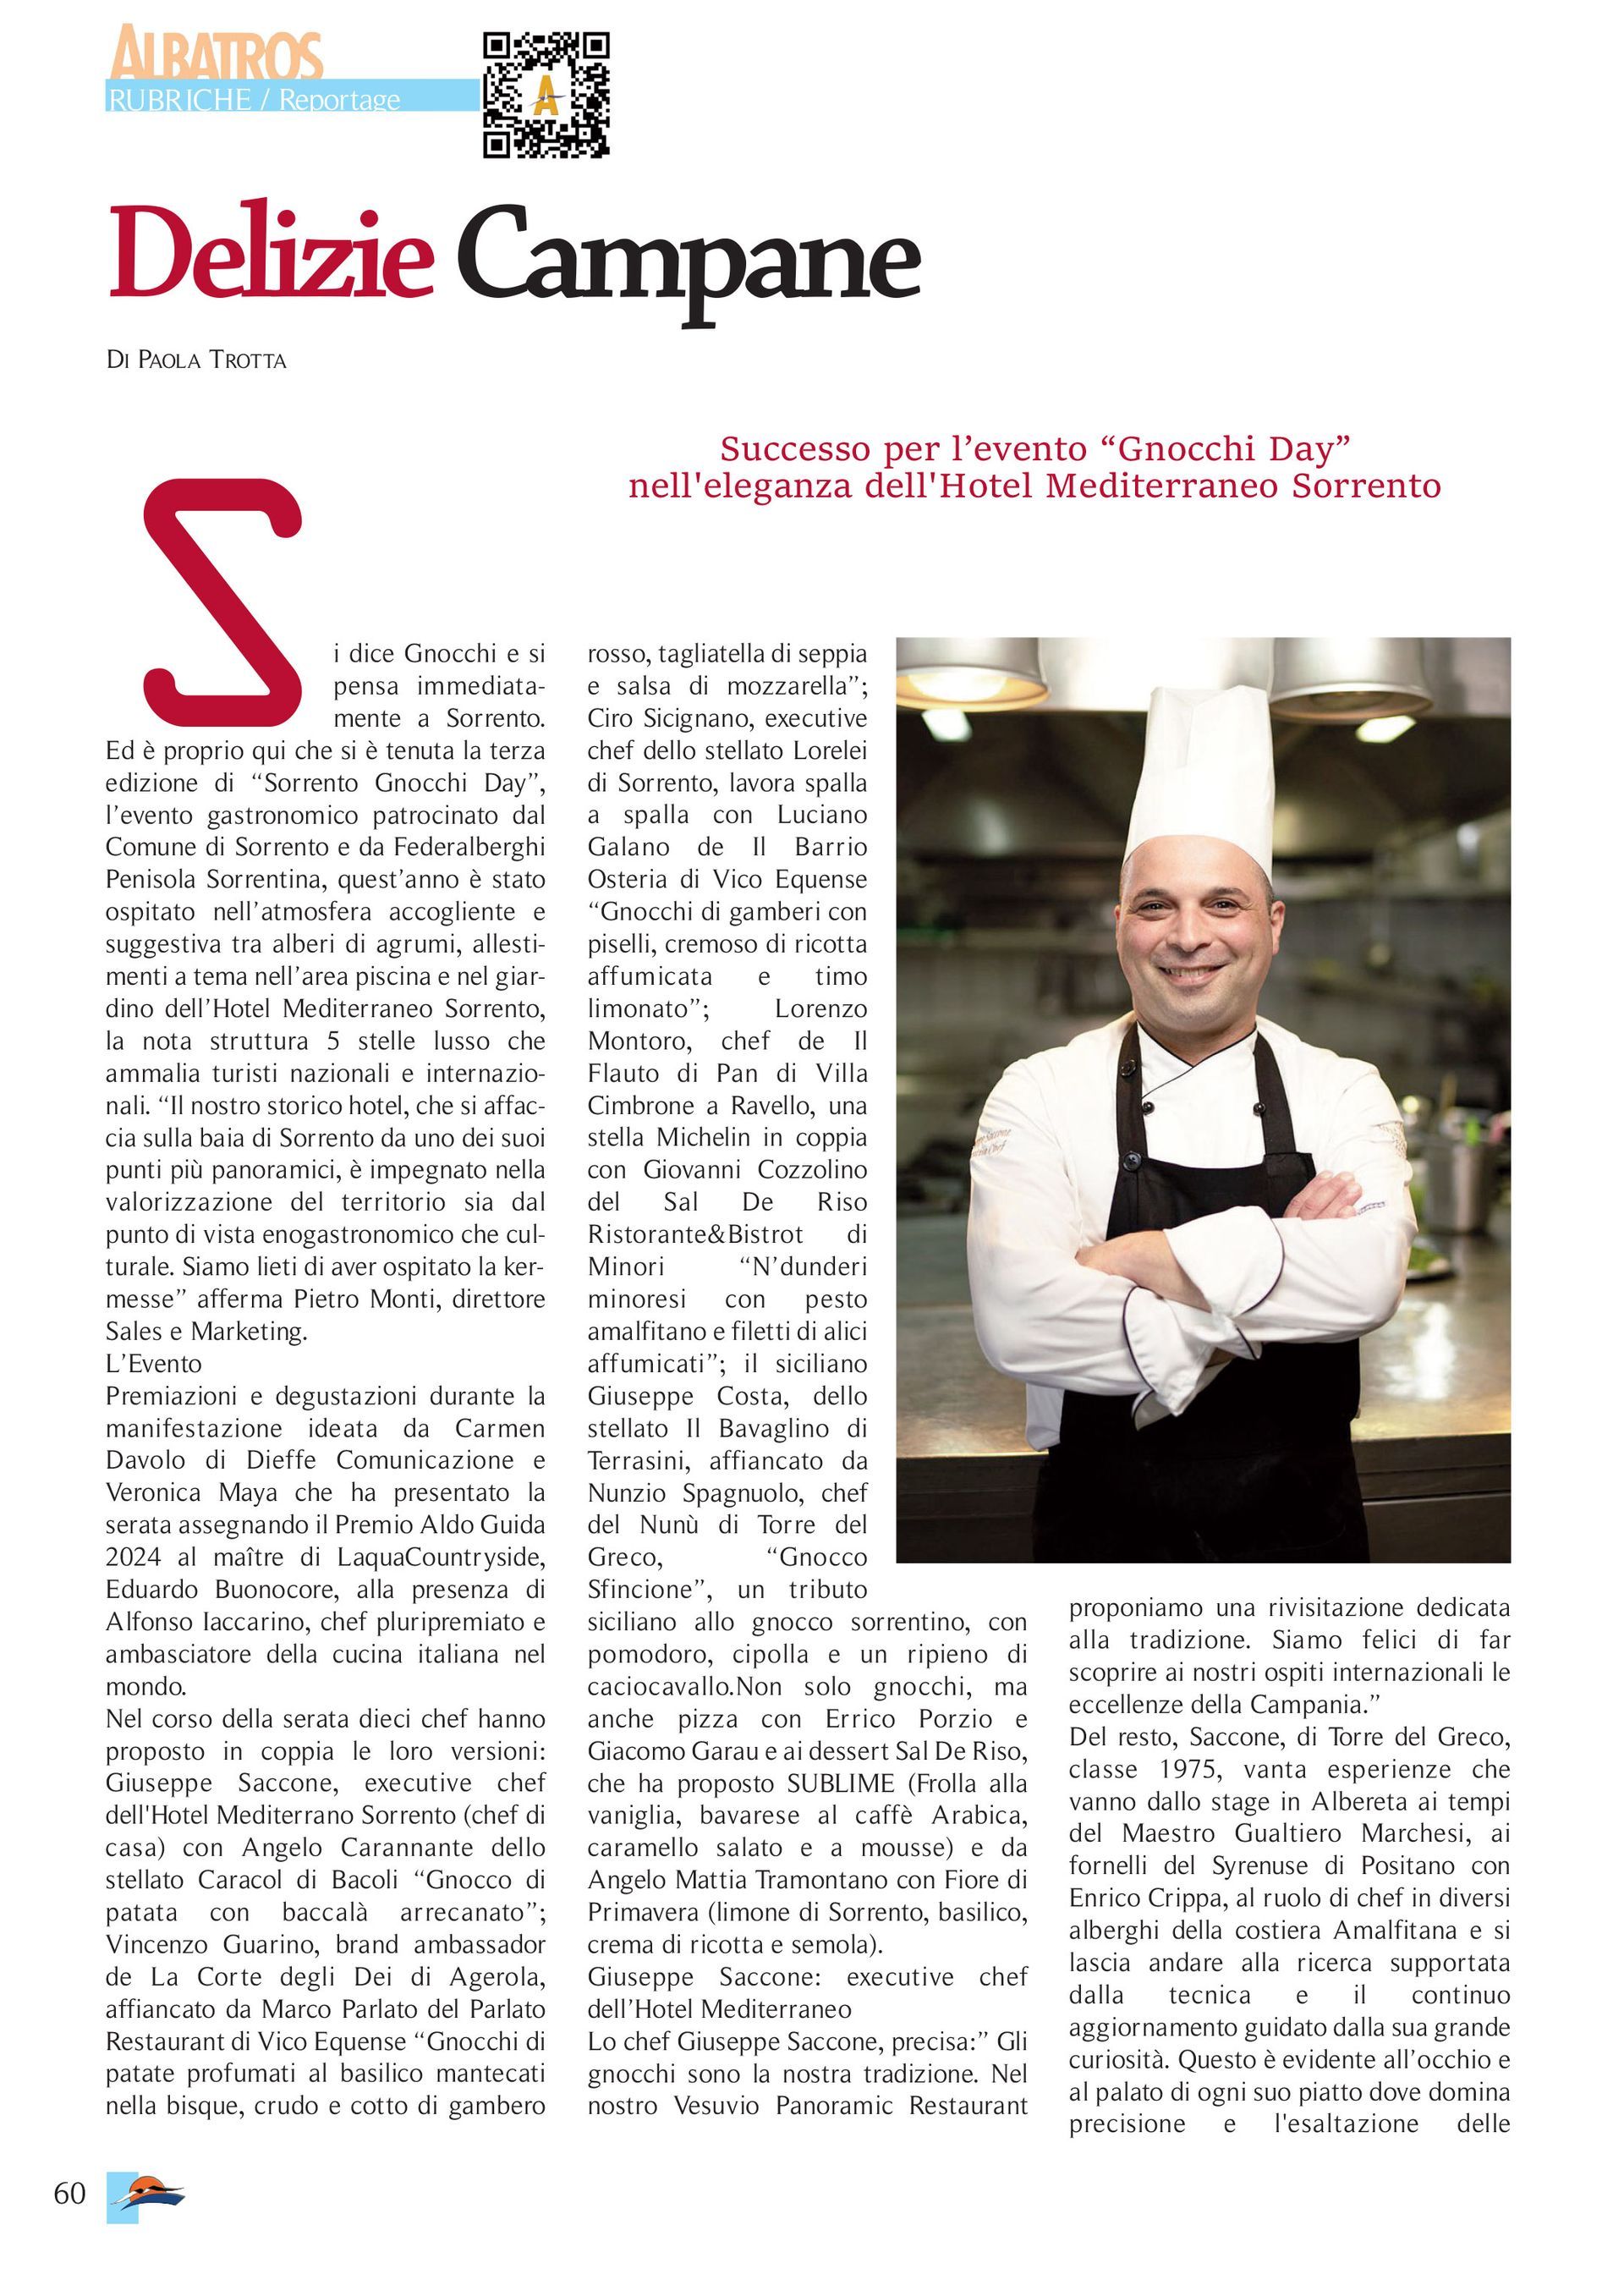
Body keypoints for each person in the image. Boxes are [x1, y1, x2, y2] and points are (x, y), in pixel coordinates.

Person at [966, 684, 1414, 1563]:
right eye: (1156, 905)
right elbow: (1020, 1322)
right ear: (1120, 927)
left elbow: (1367, 1283)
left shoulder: (1343, 1088)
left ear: (1273, 926)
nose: (1188, 935)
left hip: (1304, 1541)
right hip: (1101, 1540)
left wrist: (1129, 1260)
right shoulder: (1041, 1090)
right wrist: (1273, 1264)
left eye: (1223, 903)